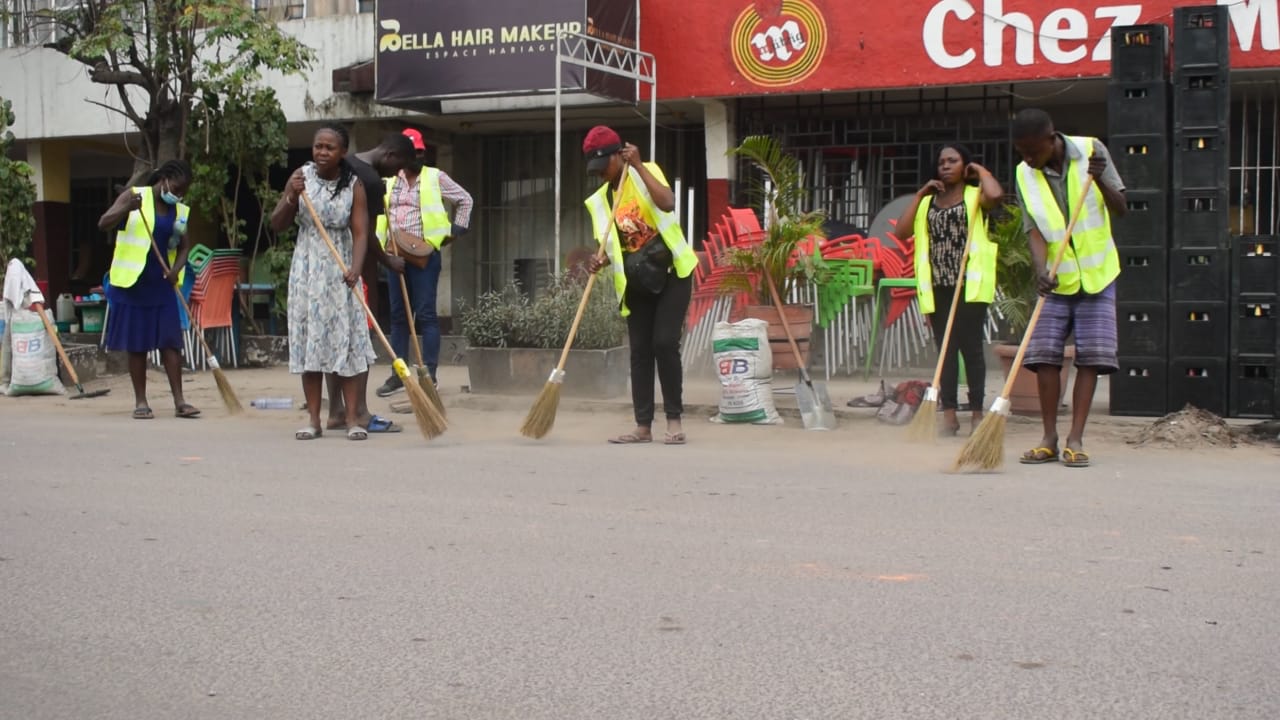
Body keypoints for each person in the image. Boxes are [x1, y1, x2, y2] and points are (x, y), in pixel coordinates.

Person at [1011, 108, 1127, 468]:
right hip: (1057, 279)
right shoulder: (1023, 173)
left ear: (1052, 138)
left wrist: (1100, 179)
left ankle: (1076, 438)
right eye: (1022, 152)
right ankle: (1048, 437)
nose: (1028, 159)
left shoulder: (1093, 151)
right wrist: (1041, 269)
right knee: (1044, 358)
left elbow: (1121, 208)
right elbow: (1034, 229)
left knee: (1090, 360)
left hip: (1097, 275)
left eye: (1034, 151)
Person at [581, 125, 699, 445]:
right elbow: (611, 249)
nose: (602, 174)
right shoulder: (598, 202)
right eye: (596, 170)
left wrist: (638, 167)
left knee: (664, 343)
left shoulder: (645, 173)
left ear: (620, 156)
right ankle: (642, 426)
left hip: (672, 271)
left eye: (605, 166)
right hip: (636, 281)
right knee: (640, 352)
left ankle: (673, 421)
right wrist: (598, 261)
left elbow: (668, 202)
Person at [270, 123, 377, 441]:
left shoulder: (353, 185)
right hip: (308, 269)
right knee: (311, 344)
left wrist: (356, 269)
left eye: (329, 147)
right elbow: (277, 224)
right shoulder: (301, 177)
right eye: (318, 146)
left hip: (342, 271)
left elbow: (360, 232)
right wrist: (291, 194)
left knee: (346, 343)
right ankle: (314, 420)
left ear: (342, 152)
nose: (322, 152)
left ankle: (352, 419)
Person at [895, 144, 1003, 436]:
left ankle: (977, 413)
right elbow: (901, 232)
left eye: (953, 161)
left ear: (963, 166)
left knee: (971, 351)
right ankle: (951, 415)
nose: (945, 165)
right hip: (938, 287)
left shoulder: (974, 196)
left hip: (969, 286)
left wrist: (979, 171)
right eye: (941, 161)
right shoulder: (928, 203)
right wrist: (919, 195)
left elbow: (995, 195)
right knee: (945, 352)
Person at [323, 133, 416, 434]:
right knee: (360, 339)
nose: (397, 173)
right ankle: (359, 412)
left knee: (335, 339)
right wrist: (390, 261)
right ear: (389, 155)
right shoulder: (371, 180)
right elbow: (367, 234)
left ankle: (336, 410)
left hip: (329, 264)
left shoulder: (344, 164)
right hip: (358, 269)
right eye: (398, 165)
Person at [97, 159, 200, 420]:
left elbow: (185, 245)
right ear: (163, 179)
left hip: (163, 283)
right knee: (138, 344)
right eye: (176, 188)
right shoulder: (135, 196)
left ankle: (180, 402)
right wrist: (126, 209)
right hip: (133, 283)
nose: (178, 195)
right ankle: (141, 402)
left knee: (170, 342)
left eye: (183, 191)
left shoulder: (179, 211)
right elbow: (104, 223)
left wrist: (176, 269)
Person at [373, 129, 473, 396]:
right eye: (411, 152)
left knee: (426, 314)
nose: (416, 156)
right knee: (398, 317)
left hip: (424, 257)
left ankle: (429, 375)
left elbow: (465, 199)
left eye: (419, 151)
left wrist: (456, 231)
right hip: (394, 254)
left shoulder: (435, 177)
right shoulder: (390, 180)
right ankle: (398, 375)